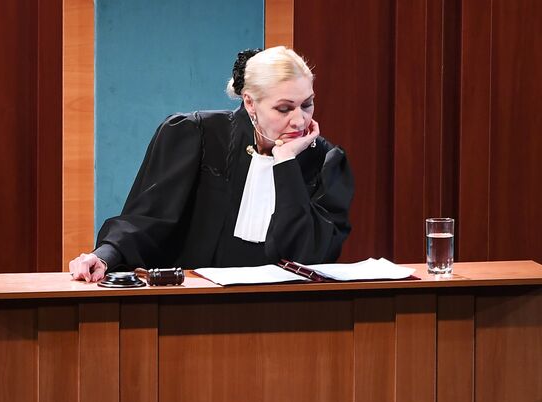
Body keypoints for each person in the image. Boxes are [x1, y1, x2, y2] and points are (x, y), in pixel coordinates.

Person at [70, 46, 353, 281]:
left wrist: (286, 163)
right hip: (195, 305)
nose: (300, 120)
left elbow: (310, 255)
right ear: (250, 103)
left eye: (307, 104)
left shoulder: (325, 161)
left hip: (290, 310)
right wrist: (104, 256)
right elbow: (149, 219)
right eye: (284, 108)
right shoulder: (198, 135)